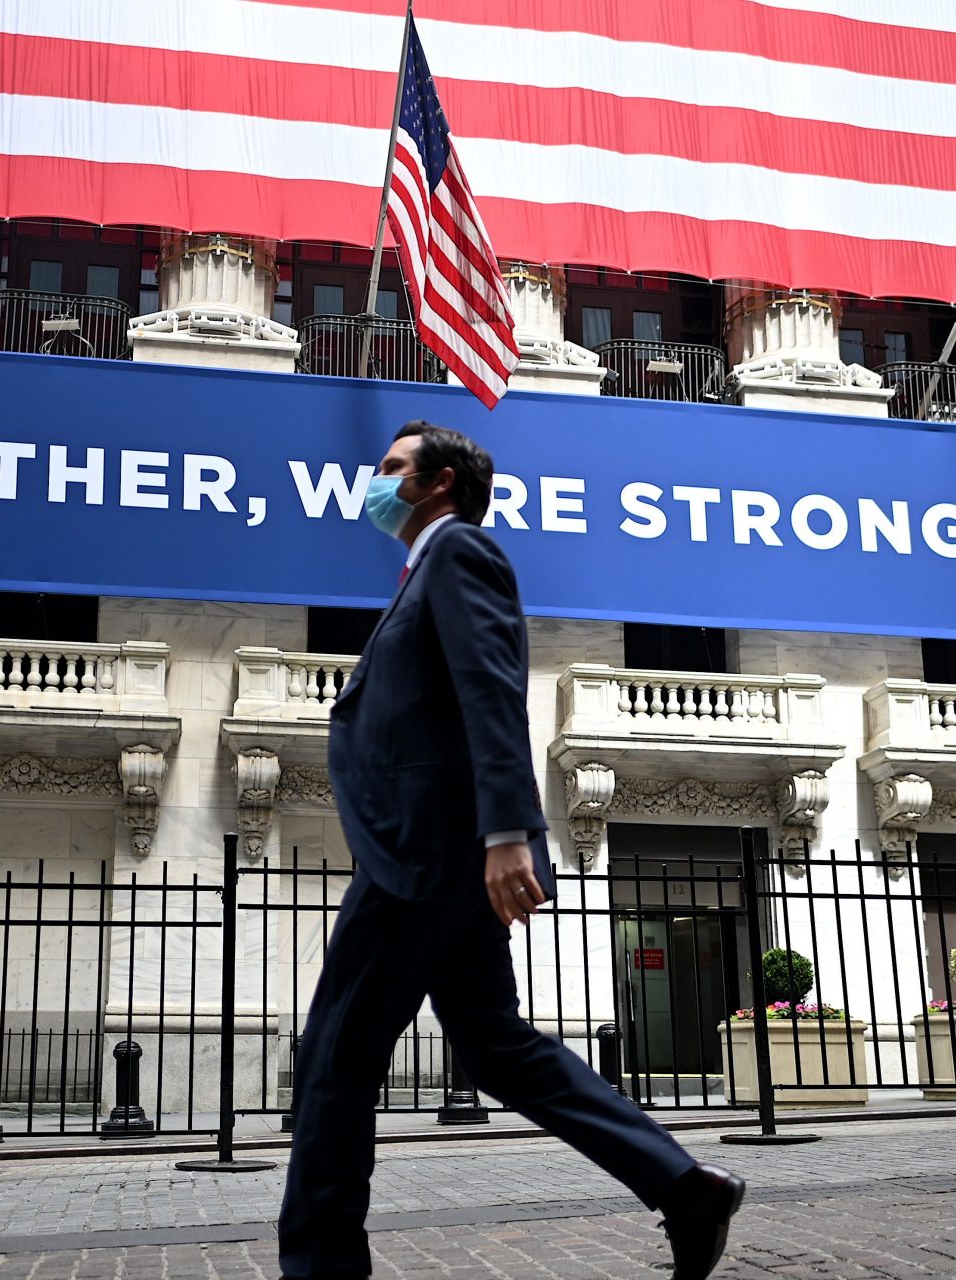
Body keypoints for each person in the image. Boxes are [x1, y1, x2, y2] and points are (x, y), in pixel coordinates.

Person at [275, 421, 744, 1279]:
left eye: (391, 469)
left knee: (336, 1059)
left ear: (440, 482)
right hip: (439, 852)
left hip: (427, 854)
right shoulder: (426, 569)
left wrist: (505, 833)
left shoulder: (460, 555)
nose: (375, 484)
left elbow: (493, 692)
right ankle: (684, 1187)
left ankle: (319, 1266)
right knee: (495, 1046)